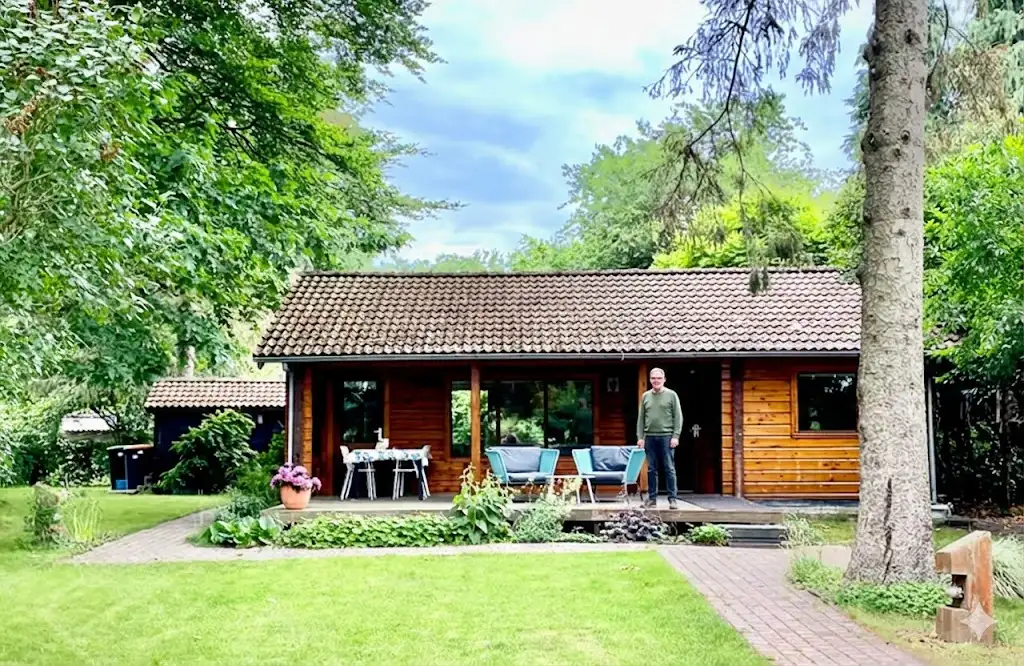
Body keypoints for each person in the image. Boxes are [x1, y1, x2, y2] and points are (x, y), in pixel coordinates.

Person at [636, 367, 683, 509]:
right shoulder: (645, 396)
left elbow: (678, 417)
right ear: (650, 380)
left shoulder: (671, 395)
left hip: (666, 436)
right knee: (651, 469)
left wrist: (675, 435)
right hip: (649, 437)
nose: (656, 381)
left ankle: (672, 499)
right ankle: (652, 499)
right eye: (653, 378)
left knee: (669, 468)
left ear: (664, 379)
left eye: (659, 378)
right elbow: (641, 418)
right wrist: (640, 437)